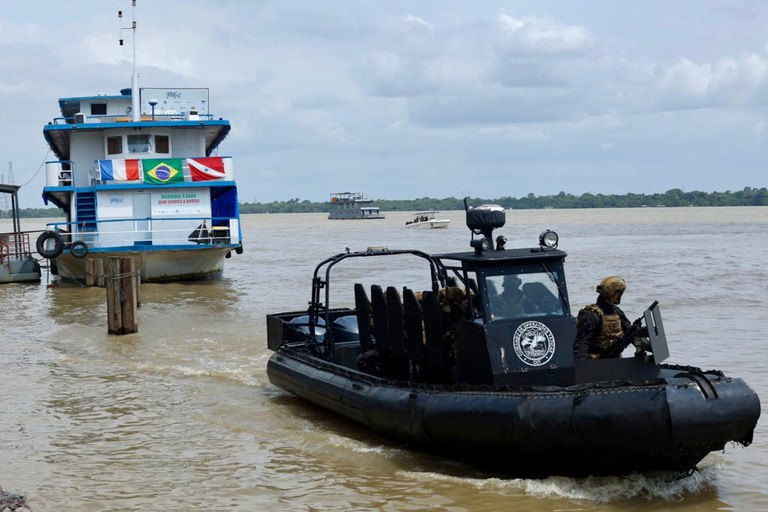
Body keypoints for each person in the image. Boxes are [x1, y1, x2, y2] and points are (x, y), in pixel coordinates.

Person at [573, 276, 645, 361]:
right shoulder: (591, 315)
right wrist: (583, 368)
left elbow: (630, 332)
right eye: (618, 293)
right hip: (595, 363)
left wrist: (641, 336)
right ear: (611, 293)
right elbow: (581, 345)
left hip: (614, 360)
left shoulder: (616, 312)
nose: (619, 296)